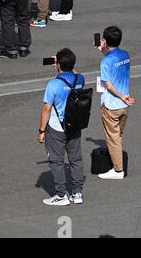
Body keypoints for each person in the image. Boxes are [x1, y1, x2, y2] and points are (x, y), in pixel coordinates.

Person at [38, 48, 85, 205]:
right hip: (75, 124)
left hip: (57, 127)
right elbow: (75, 73)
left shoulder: (53, 84)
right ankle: (77, 192)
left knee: (56, 161)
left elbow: (46, 109)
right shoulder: (80, 79)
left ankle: (61, 195)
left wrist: (41, 130)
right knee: (76, 159)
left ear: (58, 65)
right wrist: (66, 65)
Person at [96, 26, 135, 179]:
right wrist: (103, 51)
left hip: (112, 105)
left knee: (112, 138)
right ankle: (117, 160)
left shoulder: (106, 62)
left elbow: (109, 85)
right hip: (124, 105)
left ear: (104, 41)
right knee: (118, 135)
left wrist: (120, 96)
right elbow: (113, 62)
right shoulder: (125, 55)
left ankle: (118, 170)